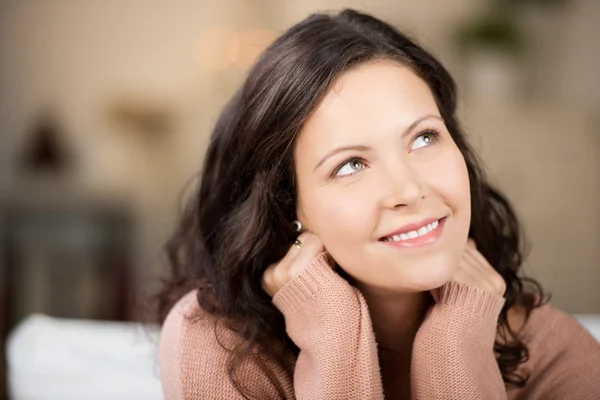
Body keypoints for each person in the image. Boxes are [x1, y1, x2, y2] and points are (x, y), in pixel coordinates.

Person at [157, 9, 600, 400]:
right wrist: (334, 337)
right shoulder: (217, 346)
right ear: (285, 205)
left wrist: (456, 346)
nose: (409, 190)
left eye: (424, 138)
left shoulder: (553, 351)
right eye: (351, 165)